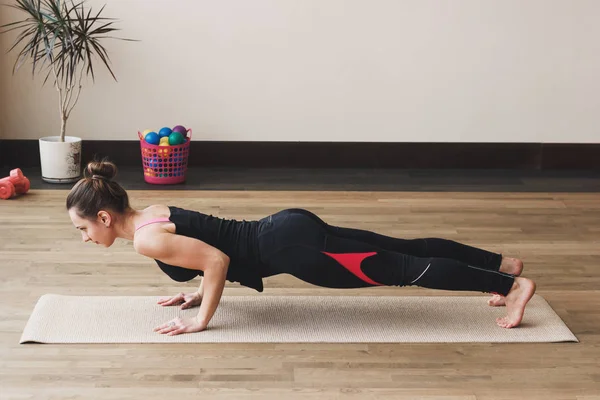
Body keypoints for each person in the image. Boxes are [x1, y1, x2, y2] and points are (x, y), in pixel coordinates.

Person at [66, 160, 536, 336]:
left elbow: (217, 259)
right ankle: (502, 263)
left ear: (104, 217)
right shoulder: (152, 212)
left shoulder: (145, 241)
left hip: (293, 250)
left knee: (402, 267)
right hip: (287, 227)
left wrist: (199, 319)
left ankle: (509, 287)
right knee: (402, 247)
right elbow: (213, 246)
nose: (85, 238)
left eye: (83, 228)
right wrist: (194, 292)